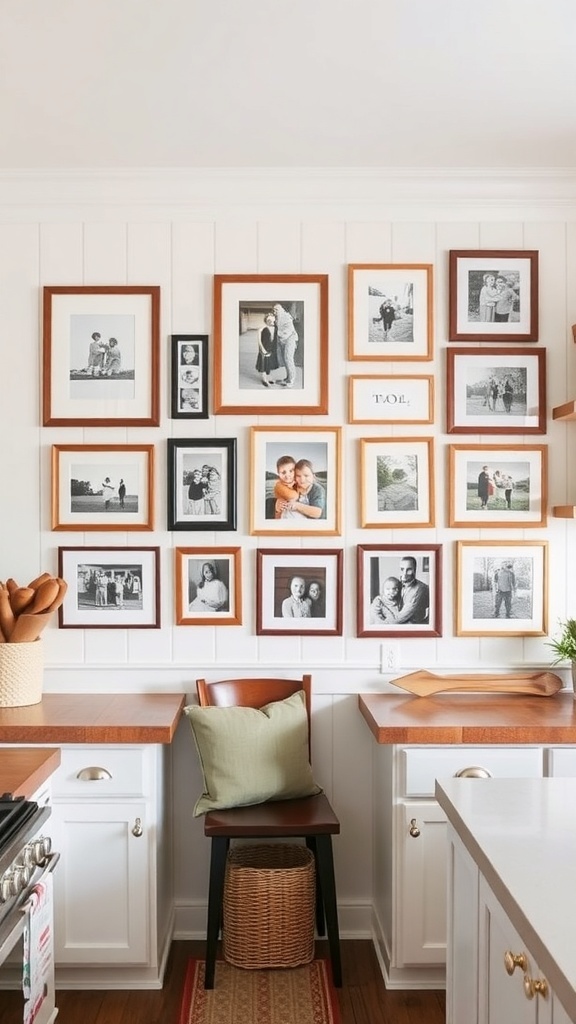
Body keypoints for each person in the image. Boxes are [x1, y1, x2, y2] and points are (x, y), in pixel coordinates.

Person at [395, 556, 429, 624]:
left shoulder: (421, 589)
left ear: (414, 570)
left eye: (409, 570)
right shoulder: (396, 584)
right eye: (402, 569)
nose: (404, 573)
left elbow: (400, 618)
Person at [273, 303, 298, 388]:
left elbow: (288, 330)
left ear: (280, 309)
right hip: (283, 340)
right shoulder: (277, 317)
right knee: (285, 359)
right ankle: (288, 378)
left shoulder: (286, 317)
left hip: (290, 338)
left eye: (276, 310)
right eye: (274, 310)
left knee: (288, 359)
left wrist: (279, 334)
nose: (274, 311)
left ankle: (291, 380)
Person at [255, 312, 279, 387]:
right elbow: (259, 341)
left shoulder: (275, 329)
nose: (271, 322)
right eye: (269, 320)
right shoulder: (261, 329)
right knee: (264, 364)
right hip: (264, 349)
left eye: (273, 321)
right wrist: (262, 350)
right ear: (266, 320)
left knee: (270, 364)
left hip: (272, 349)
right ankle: (264, 379)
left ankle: (268, 378)